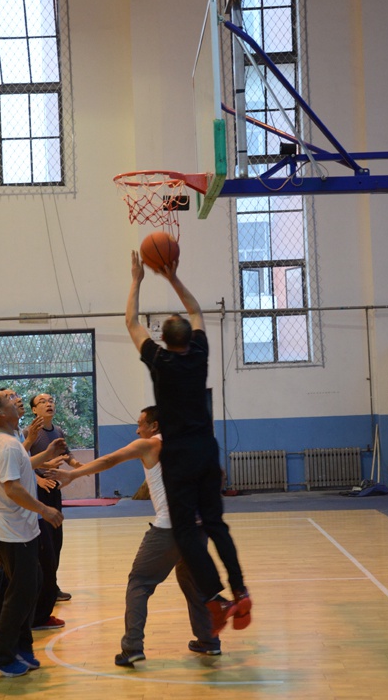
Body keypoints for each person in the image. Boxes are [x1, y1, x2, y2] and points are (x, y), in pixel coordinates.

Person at [125, 251, 251, 636]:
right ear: (189, 338)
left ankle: (214, 599)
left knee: (184, 531)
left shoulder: (158, 361)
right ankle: (240, 590)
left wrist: (137, 279)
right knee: (215, 524)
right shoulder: (200, 353)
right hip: (206, 450)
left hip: (179, 455)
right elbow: (196, 310)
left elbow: (131, 322)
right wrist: (173, 277)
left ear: (162, 340)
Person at [47, 405, 222, 666]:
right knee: (192, 581)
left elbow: (109, 460)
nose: (137, 430)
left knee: (139, 582)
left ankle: (132, 647)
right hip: (197, 528)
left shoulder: (149, 445)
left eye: (141, 424)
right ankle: (208, 640)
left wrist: (72, 474)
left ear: (154, 426)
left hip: (170, 528)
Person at [0, 389, 65, 677]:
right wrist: (44, 510)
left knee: (31, 584)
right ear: (0, 413)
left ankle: (22, 647)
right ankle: (1, 654)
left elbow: (22, 466)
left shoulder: (3, 438)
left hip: (13, 528)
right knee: (22, 592)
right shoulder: (5, 444)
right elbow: (12, 488)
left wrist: (46, 455)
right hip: (11, 530)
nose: (16, 401)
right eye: (8, 399)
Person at [24, 393, 80, 603]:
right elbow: (22, 461)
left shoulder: (57, 431)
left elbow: (67, 454)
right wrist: (37, 479)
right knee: (44, 544)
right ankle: (43, 590)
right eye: (42, 402)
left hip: (54, 490)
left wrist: (79, 467)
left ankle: (51, 587)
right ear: (34, 410)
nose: (48, 404)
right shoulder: (28, 433)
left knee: (56, 541)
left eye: (50, 401)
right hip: (38, 492)